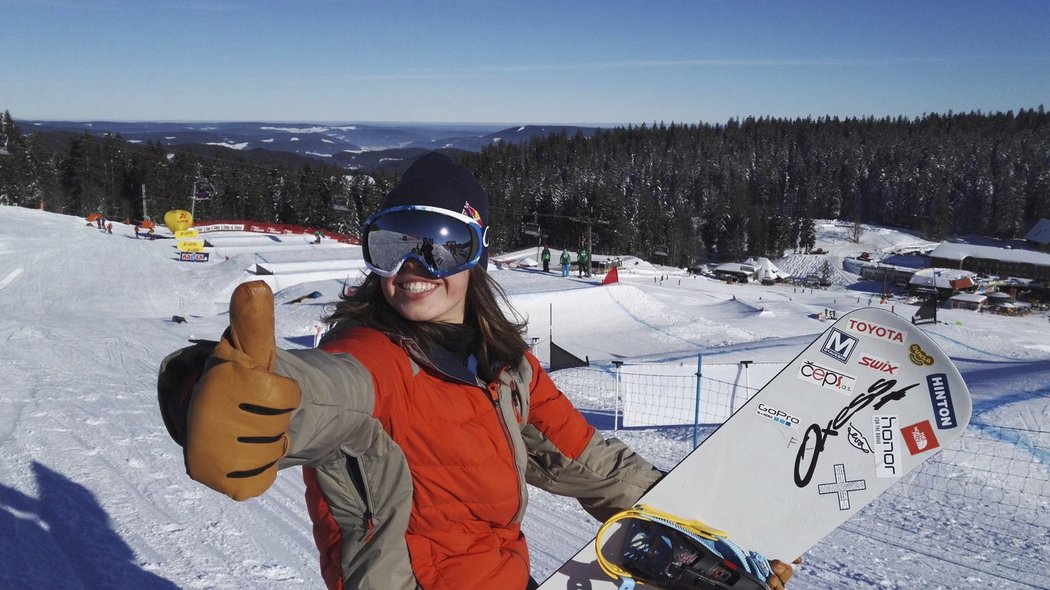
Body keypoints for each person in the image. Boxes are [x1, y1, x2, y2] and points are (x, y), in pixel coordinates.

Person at [156, 153, 797, 590]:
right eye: (393, 245)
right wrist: (207, 390)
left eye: (441, 247)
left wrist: (707, 527)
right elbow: (319, 391)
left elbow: (585, 460)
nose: (412, 268)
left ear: (476, 256)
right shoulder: (373, 360)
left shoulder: (505, 368)